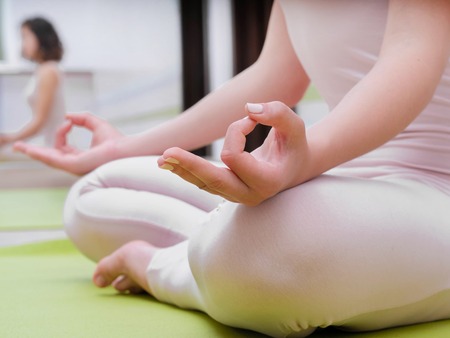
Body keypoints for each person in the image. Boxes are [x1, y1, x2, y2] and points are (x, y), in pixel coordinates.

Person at [14, 1, 450, 337]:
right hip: (343, 183)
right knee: (92, 195)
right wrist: (125, 148)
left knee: (280, 244)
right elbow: (273, 72)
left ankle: (164, 267)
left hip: (437, 191)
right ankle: (223, 246)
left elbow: (412, 48)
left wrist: (307, 157)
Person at [0, 17, 65, 149]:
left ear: (40, 38)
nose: (23, 44)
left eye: (25, 37)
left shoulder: (48, 71)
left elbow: (40, 121)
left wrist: (9, 139)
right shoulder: (43, 70)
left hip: (53, 146)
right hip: (49, 144)